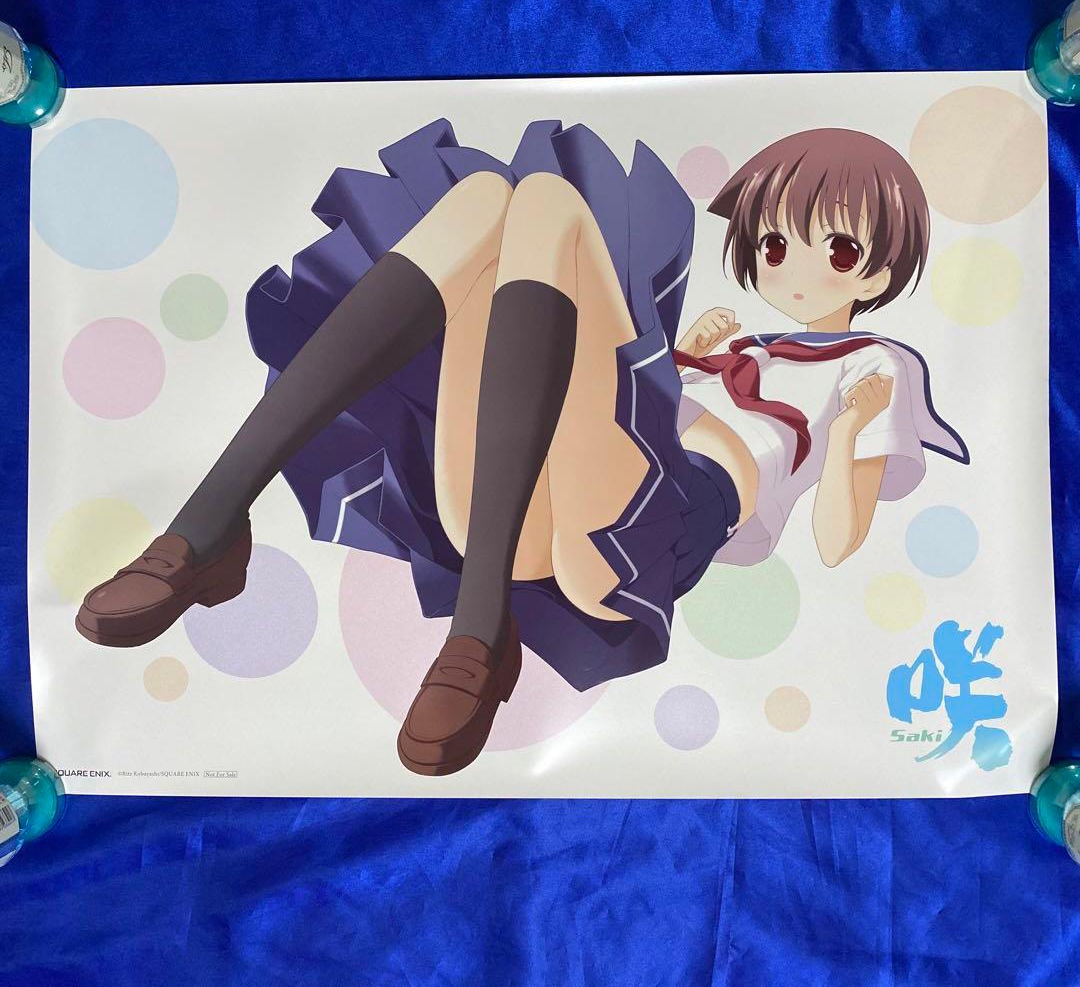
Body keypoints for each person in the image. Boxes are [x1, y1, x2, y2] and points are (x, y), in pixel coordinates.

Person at [74, 120, 967, 777]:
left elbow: (838, 542)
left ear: (882, 269)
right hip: (511, 518)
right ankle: (212, 526)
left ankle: (465, 619)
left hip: (648, 530)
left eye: (836, 249)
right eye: (773, 241)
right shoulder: (733, 340)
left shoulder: (875, 364)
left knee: (542, 201)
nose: (795, 266)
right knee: (484, 202)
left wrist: (846, 431)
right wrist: (687, 357)